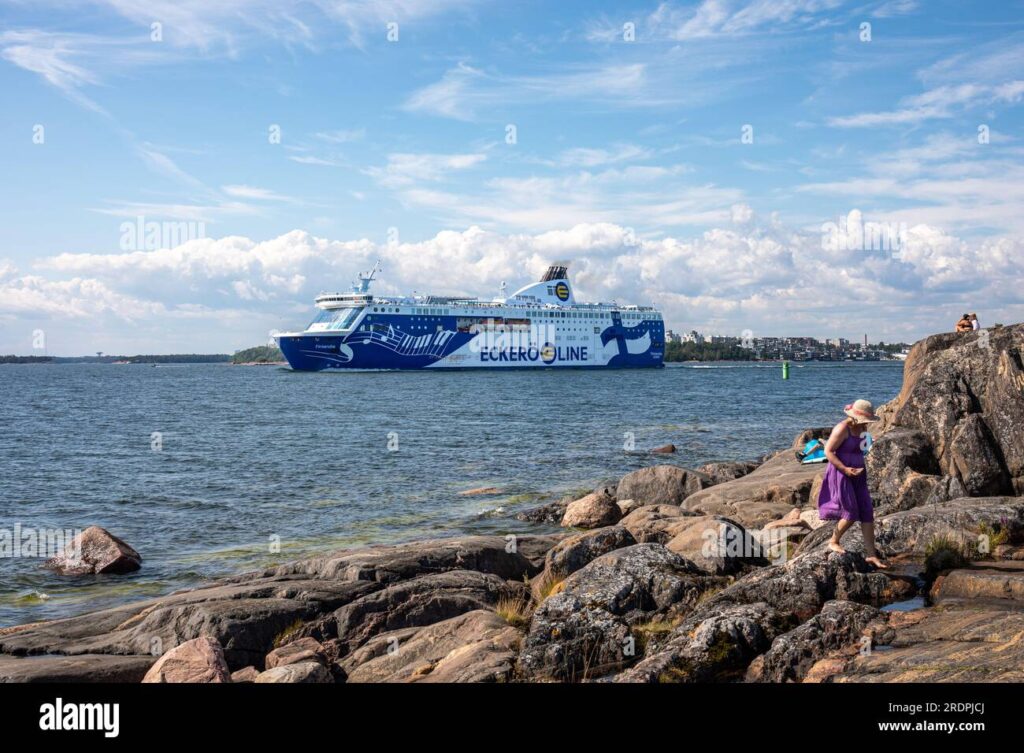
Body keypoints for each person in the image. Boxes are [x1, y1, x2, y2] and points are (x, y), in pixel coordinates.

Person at [817, 399, 888, 569]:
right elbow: (828, 451)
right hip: (841, 472)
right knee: (850, 511)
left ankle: (871, 555)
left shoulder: (862, 428)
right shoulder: (842, 428)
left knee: (866, 511)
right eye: (864, 421)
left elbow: (862, 446)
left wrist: (871, 442)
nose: (866, 425)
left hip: (858, 473)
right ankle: (833, 541)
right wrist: (845, 469)